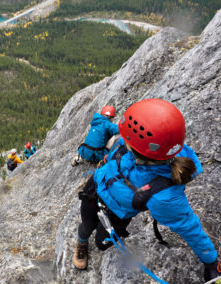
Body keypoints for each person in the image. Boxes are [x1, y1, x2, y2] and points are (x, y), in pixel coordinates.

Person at [72, 99, 221, 283]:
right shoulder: (144, 145)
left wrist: (212, 264)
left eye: (126, 138)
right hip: (94, 188)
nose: (122, 139)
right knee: (86, 226)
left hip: (117, 214)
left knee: (101, 244)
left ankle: (88, 240)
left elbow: (188, 226)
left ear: (139, 149)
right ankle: (81, 242)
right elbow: (112, 157)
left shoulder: (163, 196)